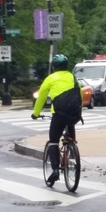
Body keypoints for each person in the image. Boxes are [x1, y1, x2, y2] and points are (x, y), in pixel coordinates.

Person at [31, 54, 83, 183]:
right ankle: (71, 147)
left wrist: (36, 113)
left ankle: (55, 170)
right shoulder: (73, 78)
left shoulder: (50, 79)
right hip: (73, 114)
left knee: (53, 141)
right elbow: (79, 96)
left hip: (58, 114)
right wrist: (79, 114)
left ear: (54, 67)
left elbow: (41, 97)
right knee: (70, 126)